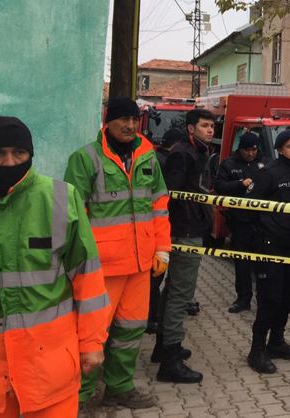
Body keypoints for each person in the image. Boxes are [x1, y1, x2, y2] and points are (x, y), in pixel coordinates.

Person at [0, 117, 109, 417]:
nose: (9, 162)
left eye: (18, 153)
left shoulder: (61, 199)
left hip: (48, 367)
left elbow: (88, 279)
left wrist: (91, 343)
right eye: (0, 153)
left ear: (30, 155)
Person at [64, 97, 171, 409]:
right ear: (107, 121)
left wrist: (163, 248)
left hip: (139, 266)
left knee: (130, 330)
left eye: (134, 119)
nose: (130, 125)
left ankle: (119, 388)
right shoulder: (86, 159)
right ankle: (79, 397)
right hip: (100, 270)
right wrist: (80, 263)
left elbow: (159, 205)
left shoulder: (147, 155)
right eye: (123, 119)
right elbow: (74, 216)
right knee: (91, 335)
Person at [152, 109, 216, 383]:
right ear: (192, 129)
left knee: (173, 291)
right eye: (205, 125)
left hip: (189, 227)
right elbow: (174, 196)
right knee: (181, 293)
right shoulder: (183, 153)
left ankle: (164, 348)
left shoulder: (196, 151)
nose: (210, 130)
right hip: (184, 231)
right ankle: (170, 362)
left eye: (212, 126)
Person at [247, 129, 290, 374]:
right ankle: (256, 351)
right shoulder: (268, 174)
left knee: (287, 296)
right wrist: (262, 234)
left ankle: (277, 342)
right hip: (270, 245)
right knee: (269, 299)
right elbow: (249, 206)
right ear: (280, 149)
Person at [214, 132, 267, 313]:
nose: (251, 154)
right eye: (247, 150)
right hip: (239, 222)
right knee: (242, 263)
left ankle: (263, 300)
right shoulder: (229, 164)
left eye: (254, 150)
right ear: (241, 149)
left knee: (262, 264)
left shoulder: (265, 163)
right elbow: (219, 186)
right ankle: (243, 299)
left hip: (261, 222)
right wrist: (239, 184)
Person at [147, 128, 186, 335]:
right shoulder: (163, 162)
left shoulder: (156, 158)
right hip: (160, 229)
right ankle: (151, 318)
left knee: (155, 279)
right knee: (155, 280)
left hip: (156, 229)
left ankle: (151, 316)